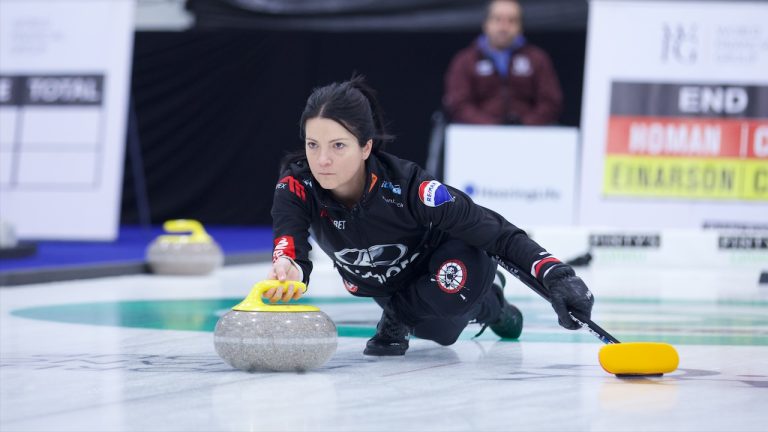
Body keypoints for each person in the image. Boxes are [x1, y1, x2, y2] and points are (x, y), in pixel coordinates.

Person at [264, 76, 592, 356]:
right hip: (384, 284)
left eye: (338, 146)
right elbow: (289, 241)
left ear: (365, 148)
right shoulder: (296, 186)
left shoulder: (409, 187)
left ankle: (417, 308)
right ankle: (492, 304)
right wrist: (289, 269)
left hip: (448, 259)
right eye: (312, 145)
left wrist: (557, 276)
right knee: (441, 334)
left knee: (452, 294)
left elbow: (496, 232)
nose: (321, 160)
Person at [443, 0, 563, 125]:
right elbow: (458, 103)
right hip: (477, 134)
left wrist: (524, 124)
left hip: (529, 135)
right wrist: (490, 125)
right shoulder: (466, 60)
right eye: (497, 19)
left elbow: (551, 102)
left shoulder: (537, 59)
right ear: (486, 24)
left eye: (512, 21)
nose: (504, 27)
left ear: (520, 26)